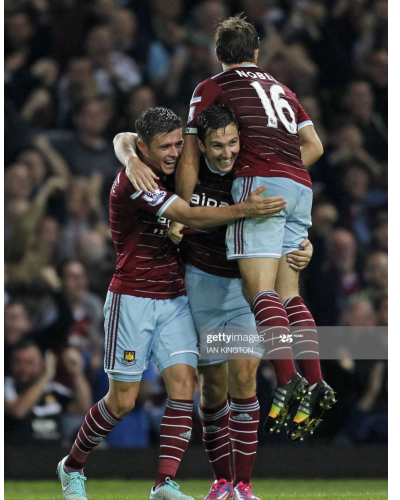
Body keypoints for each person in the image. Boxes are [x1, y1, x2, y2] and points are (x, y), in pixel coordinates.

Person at [56, 106, 286, 500]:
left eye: (179, 143)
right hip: (132, 299)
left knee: (184, 387)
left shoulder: (161, 166)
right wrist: (245, 210)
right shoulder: (136, 180)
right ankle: (72, 466)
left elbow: (123, 139)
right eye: (165, 146)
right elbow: (186, 214)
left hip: (175, 298)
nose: (175, 153)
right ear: (144, 148)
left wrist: (127, 149)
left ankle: (164, 484)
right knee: (121, 401)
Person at [129, 15, 336, 443]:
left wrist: (178, 212)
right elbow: (314, 146)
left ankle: (287, 380)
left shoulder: (211, 88)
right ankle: (316, 381)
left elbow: (188, 158)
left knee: (259, 292)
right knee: (289, 292)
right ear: (257, 54)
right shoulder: (282, 88)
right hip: (301, 186)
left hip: (261, 189)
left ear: (217, 55)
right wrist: (286, 172)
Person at [115, 105, 313, 500]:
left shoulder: (252, 172)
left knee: (244, 379)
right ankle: (221, 481)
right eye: (217, 145)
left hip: (241, 291)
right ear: (200, 145)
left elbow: (290, 216)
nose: (226, 152)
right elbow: (123, 138)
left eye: (232, 143)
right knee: (212, 391)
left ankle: (243, 485)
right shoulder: (187, 173)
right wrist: (131, 156)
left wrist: (305, 247)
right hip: (198, 290)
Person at [5, 340, 92, 445]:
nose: (24, 368)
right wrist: (47, 376)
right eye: (18, 362)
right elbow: (18, 412)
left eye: (29, 363)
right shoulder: (7, 386)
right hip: (18, 455)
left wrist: (77, 374)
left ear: (41, 365)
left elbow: (82, 407)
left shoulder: (53, 390)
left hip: (53, 455)